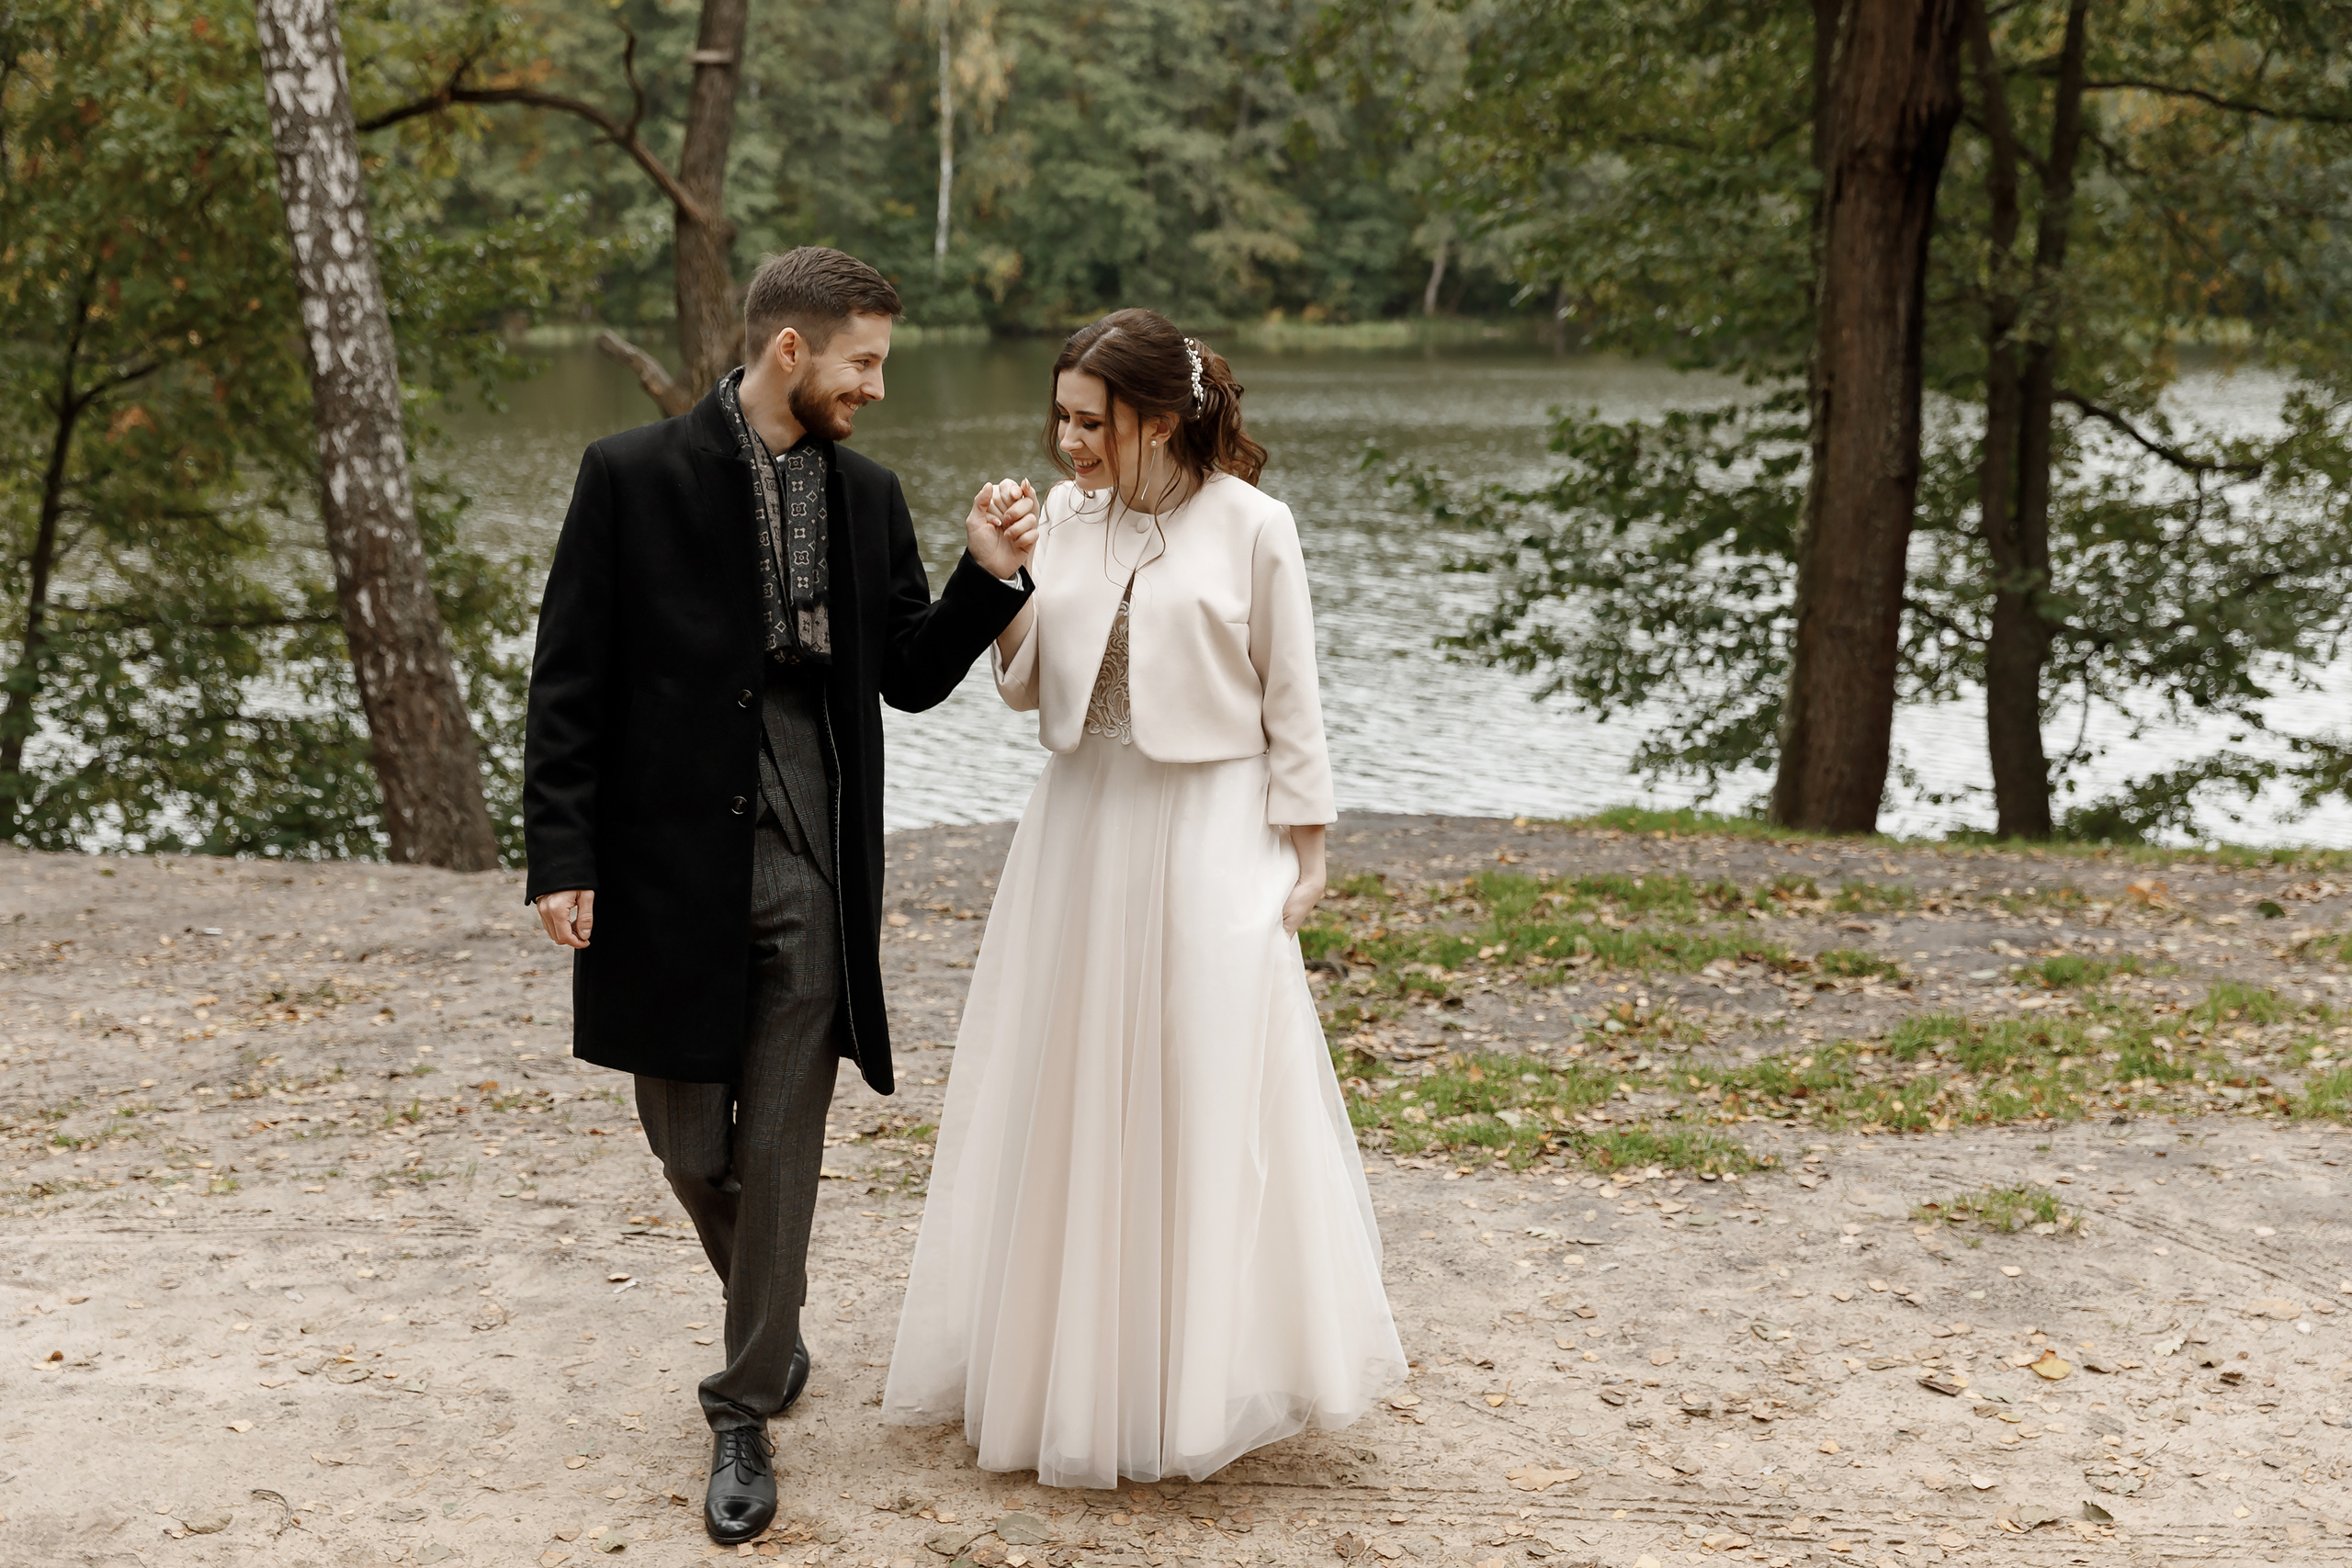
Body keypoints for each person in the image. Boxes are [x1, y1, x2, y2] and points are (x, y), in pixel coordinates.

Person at [522, 246, 1038, 1545]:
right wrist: (563, 854)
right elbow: (569, 679)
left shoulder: (869, 495)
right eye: (864, 361)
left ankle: (745, 1400)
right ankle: (779, 1314)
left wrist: (985, 573)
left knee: (780, 1146)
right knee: (688, 1139)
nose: (878, 386)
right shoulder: (627, 476)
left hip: (817, 850)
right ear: (791, 350)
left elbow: (910, 677)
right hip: (662, 858)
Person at [881, 309, 1407, 1488]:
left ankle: (1192, 1386)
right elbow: (1027, 689)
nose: (1066, 443)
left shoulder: (1256, 527)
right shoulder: (1064, 518)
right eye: (1058, 418)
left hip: (1211, 828)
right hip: (1079, 827)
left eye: (1089, 421)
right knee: (1067, 1084)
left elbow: (1294, 699)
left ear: (1157, 420)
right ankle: (1064, 1380)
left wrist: (1305, 848)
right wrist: (1003, 578)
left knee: (1201, 1085)